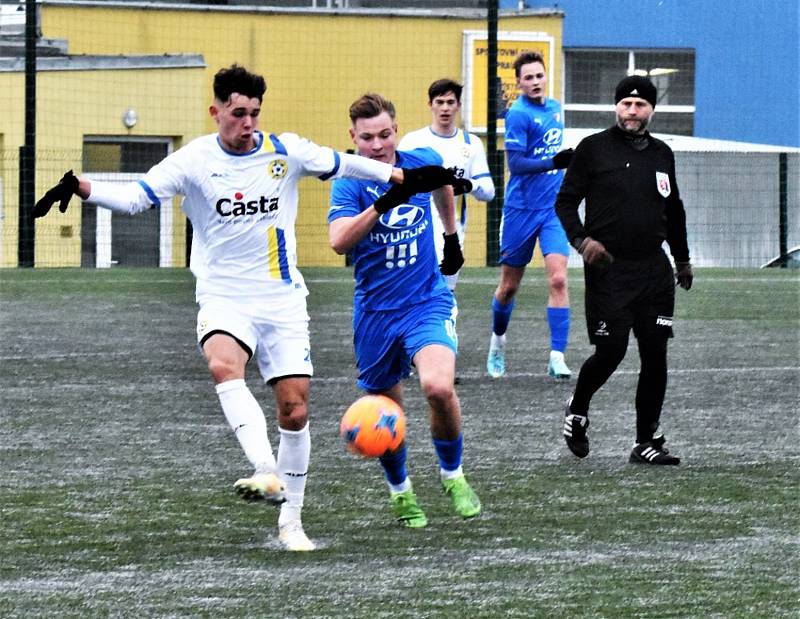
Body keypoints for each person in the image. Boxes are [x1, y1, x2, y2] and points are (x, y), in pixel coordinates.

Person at [32, 65, 455, 551]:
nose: (247, 122)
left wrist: (399, 174)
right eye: (238, 113)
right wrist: (83, 188)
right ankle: (264, 469)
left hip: (281, 299)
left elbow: (345, 163)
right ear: (216, 112)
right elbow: (135, 200)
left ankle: (291, 524)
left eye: (254, 113)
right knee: (222, 363)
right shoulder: (192, 160)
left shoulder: (285, 150)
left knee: (294, 412)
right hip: (223, 295)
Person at [328, 93, 481, 528]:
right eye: (367, 138)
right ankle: (401, 492)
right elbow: (339, 241)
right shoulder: (350, 181)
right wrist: (383, 205)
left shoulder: (420, 158)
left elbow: (441, 184)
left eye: (385, 134)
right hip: (376, 312)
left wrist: (451, 237)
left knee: (438, 387)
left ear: (396, 129)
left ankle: (453, 476)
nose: (377, 145)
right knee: (386, 413)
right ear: (352, 138)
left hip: (426, 300)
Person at [554, 75, 693, 465]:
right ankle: (578, 409)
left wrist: (681, 260)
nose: (632, 111)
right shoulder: (593, 149)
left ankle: (645, 441)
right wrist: (582, 242)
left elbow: (674, 210)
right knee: (611, 351)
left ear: (651, 110)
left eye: (640, 105)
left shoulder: (663, 154)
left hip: (654, 271)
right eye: (626, 104)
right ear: (617, 107)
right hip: (608, 270)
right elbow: (565, 203)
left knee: (655, 353)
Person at [486, 50, 574, 381]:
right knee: (509, 286)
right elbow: (517, 165)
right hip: (521, 210)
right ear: (520, 82)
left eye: (540, 75)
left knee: (559, 278)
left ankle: (557, 356)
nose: (535, 82)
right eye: (529, 77)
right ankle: (497, 343)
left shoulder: (555, 109)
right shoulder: (518, 115)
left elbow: (557, 156)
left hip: (553, 210)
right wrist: (554, 163)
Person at [398, 78, 495, 291]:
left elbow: (489, 191)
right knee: (413, 291)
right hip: (415, 229)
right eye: (439, 102)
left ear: (458, 106)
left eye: (450, 102)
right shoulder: (412, 142)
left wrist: (469, 185)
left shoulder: (471, 144)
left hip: (452, 232)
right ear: (430, 105)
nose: (445, 108)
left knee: (445, 293)